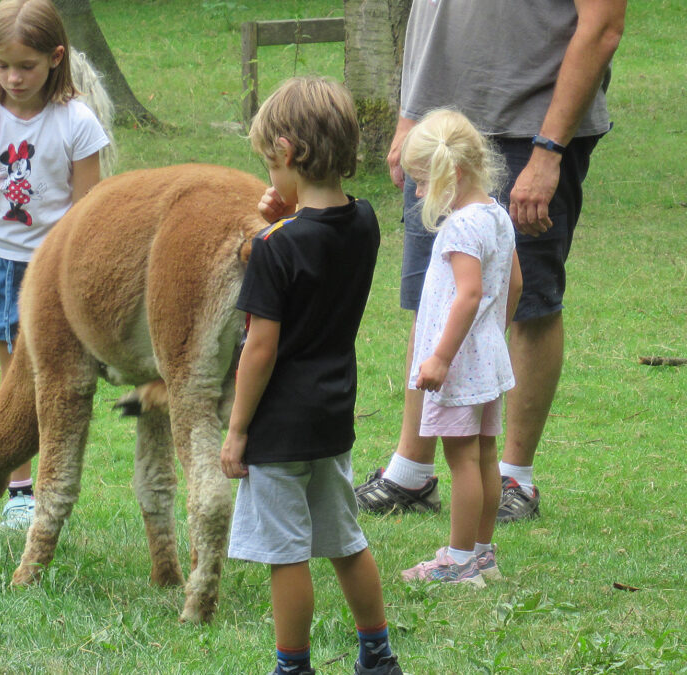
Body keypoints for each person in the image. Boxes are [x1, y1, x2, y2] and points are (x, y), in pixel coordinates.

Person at [356, 0, 626, 521]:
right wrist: (409, 118)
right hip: (438, 132)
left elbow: (603, 26)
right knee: (429, 293)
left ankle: (513, 480)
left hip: (531, 125)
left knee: (531, 301)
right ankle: (411, 473)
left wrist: (549, 150)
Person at [221, 77, 402, 675]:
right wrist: (289, 215)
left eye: (270, 164)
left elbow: (261, 348)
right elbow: (317, 239)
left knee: (286, 555)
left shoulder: (274, 246)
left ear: (289, 151)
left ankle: (292, 666)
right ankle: (377, 655)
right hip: (332, 418)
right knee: (346, 540)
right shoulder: (367, 221)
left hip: (277, 426)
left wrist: (238, 429)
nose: (269, 178)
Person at [0, 0, 110, 530]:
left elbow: (88, 214)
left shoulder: (76, 123)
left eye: (27, 66)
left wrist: (77, 281)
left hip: (54, 268)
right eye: (2, 65)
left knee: (54, 381)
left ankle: (55, 485)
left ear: (56, 58)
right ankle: (20, 492)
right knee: (14, 379)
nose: (13, 77)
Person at [393, 109, 522, 585]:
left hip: (459, 366)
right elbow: (514, 285)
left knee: (462, 460)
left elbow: (468, 294)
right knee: (487, 456)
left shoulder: (462, 227)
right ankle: (483, 552)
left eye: (425, 182)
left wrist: (442, 357)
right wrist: (492, 336)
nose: (421, 193)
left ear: (456, 174)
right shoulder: (497, 215)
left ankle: (460, 560)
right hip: (484, 359)